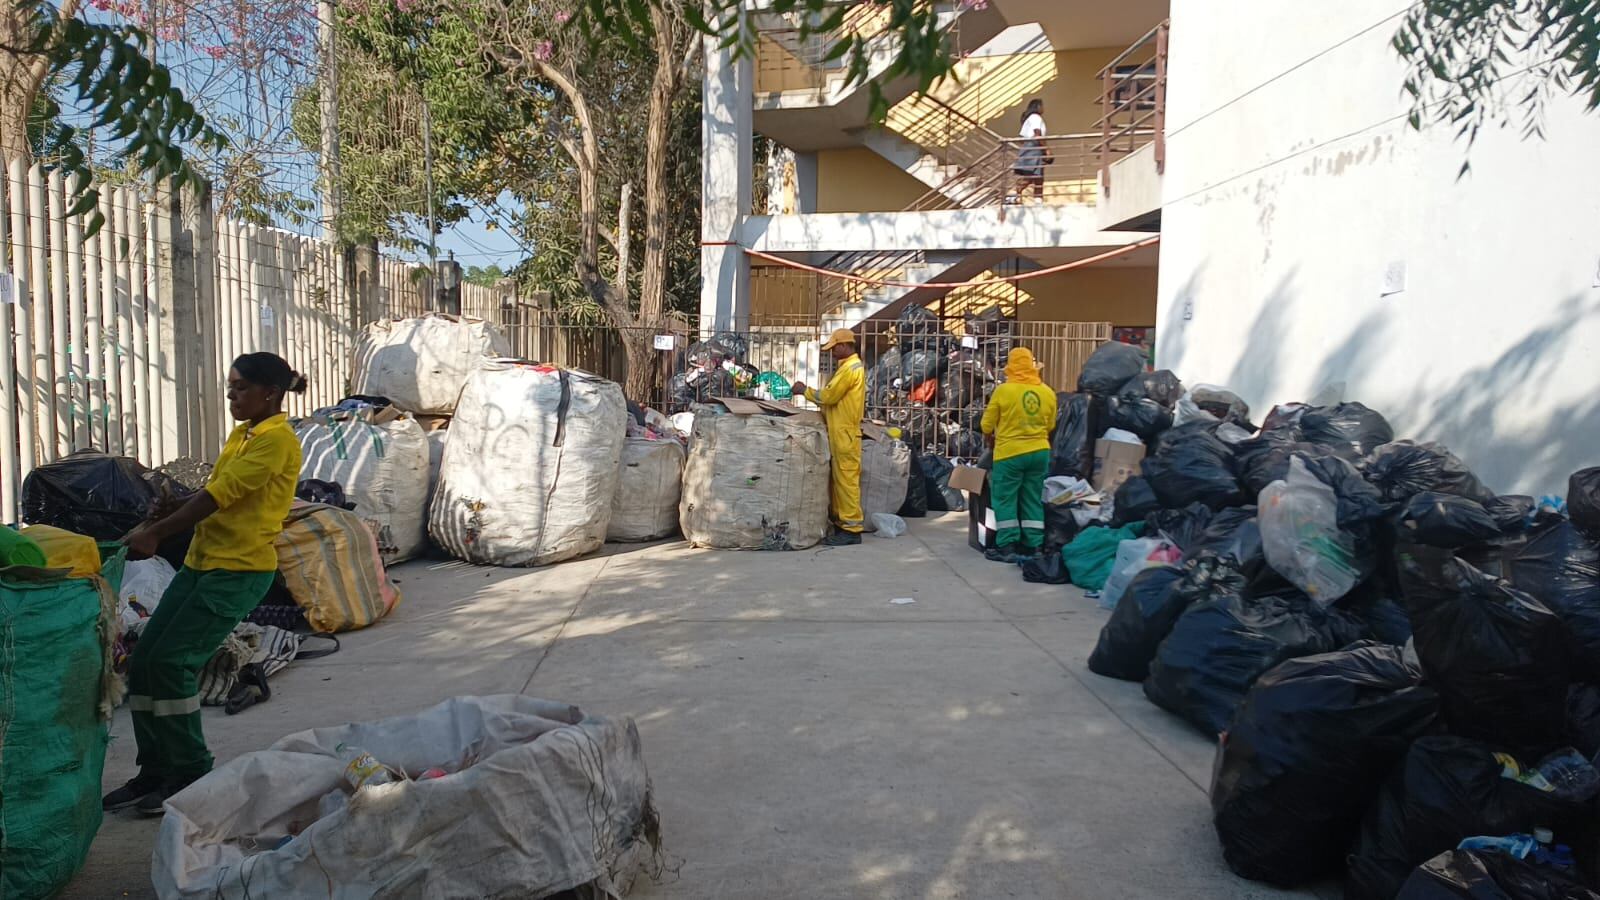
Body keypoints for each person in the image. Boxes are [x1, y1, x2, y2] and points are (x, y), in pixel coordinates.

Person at [102, 352, 306, 816]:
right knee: (146, 662)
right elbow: (216, 490)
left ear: (269, 393)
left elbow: (219, 495)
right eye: (229, 387)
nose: (231, 395)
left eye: (240, 388)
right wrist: (169, 506)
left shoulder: (277, 443)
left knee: (173, 664)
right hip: (202, 564)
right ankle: (154, 770)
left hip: (237, 571)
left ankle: (190, 770)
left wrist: (157, 532)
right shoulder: (244, 434)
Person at [790, 328, 866, 546]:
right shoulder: (847, 368)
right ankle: (842, 524)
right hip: (840, 433)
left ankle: (851, 530)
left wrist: (805, 391)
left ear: (843, 345)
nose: (832, 353)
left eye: (834, 348)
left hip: (845, 434)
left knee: (847, 481)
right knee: (840, 482)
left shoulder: (851, 369)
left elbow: (829, 396)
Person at [980, 347, 1056, 562]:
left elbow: (986, 424)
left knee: (1005, 499)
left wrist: (991, 436)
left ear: (1011, 366)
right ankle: (1034, 546)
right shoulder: (1047, 392)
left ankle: (1007, 546)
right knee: (1032, 497)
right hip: (1040, 451)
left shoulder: (1004, 391)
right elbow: (1050, 424)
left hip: (1010, 453)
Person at [1013, 98, 1048, 204]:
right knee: (1032, 176)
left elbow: (1022, 138)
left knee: (1038, 177)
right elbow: (1037, 134)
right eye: (1042, 105)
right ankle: (1017, 192)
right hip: (1034, 148)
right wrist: (1046, 149)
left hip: (1032, 148)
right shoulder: (1035, 117)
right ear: (1037, 107)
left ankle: (1038, 201)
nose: (1043, 108)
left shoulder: (1030, 119)